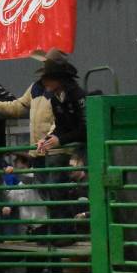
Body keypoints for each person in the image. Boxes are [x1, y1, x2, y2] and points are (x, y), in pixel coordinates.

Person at [35, 59, 88, 246]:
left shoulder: (77, 95)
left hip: (87, 144)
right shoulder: (56, 98)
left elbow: (85, 128)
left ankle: (67, 228)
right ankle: (61, 229)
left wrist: (59, 139)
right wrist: (50, 137)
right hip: (75, 144)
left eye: (48, 78)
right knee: (54, 184)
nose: (44, 82)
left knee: (80, 183)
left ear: (58, 79)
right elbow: (63, 126)